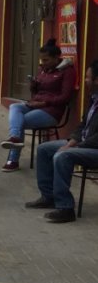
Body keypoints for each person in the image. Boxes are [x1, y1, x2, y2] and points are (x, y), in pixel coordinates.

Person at [25, 61, 98, 223]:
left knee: (62, 156)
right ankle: (48, 196)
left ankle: (65, 207)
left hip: (93, 148)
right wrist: (72, 142)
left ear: (97, 80)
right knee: (44, 149)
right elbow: (82, 126)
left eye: (87, 77)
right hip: (82, 143)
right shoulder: (94, 99)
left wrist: (75, 146)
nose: (85, 80)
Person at [0, 42, 77, 171]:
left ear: (57, 57)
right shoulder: (43, 69)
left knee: (21, 122)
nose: (43, 62)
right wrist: (33, 85)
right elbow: (36, 92)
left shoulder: (67, 71)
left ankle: (12, 160)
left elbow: (65, 97)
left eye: (46, 60)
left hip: (51, 111)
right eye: (42, 59)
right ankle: (15, 138)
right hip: (35, 104)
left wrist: (44, 103)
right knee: (15, 107)